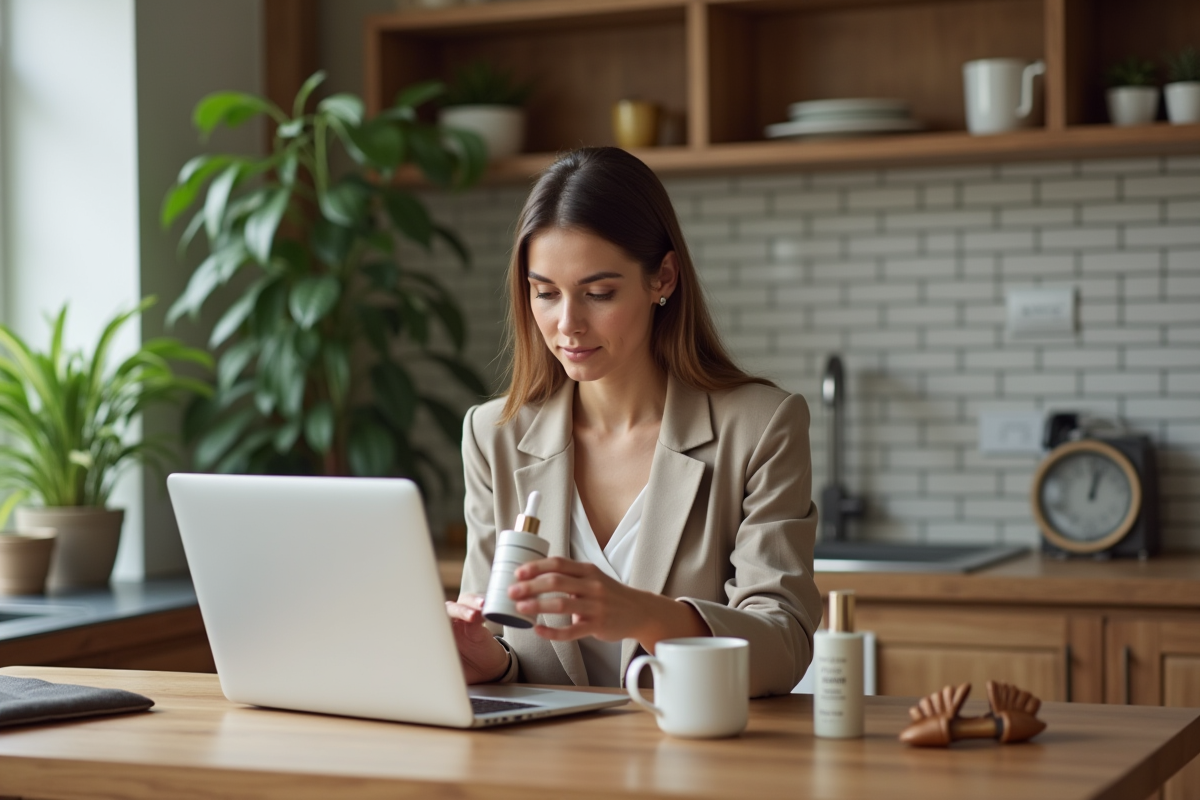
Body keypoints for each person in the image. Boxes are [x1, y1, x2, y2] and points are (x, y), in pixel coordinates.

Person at [445, 147, 821, 698]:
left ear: (662, 277)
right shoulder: (493, 437)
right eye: (544, 293)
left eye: (599, 293)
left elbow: (783, 644)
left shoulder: (761, 428)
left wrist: (641, 615)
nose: (567, 324)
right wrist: (489, 661)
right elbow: (506, 644)